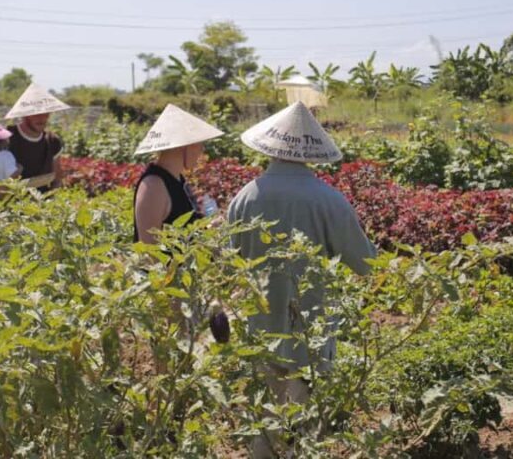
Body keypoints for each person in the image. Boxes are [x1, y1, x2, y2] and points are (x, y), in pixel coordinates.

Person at [226, 101, 376, 458]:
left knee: (262, 425)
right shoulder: (328, 200)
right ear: (311, 152)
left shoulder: (244, 198)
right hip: (307, 335)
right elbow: (367, 264)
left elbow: (227, 263)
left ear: (270, 148)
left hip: (257, 331)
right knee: (299, 428)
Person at [0, 83, 69, 203]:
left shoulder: (53, 141)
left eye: (46, 113)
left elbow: (57, 177)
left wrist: (49, 201)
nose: (42, 118)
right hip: (9, 206)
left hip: (41, 206)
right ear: (24, 115)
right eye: (36, 113)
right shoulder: (5, 137)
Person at [132, 104, 223, 244]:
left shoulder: (178, 179)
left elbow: (182, 233)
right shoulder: (153, 186)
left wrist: (209, 228)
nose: (201, 151)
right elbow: (148, 251)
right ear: (186, 145)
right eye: (200, 144)